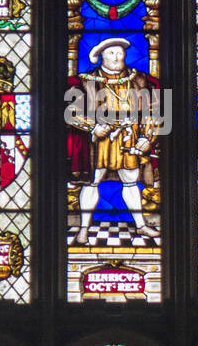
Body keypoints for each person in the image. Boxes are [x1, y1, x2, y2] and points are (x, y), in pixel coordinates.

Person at [66, 37, 160, 245]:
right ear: (100, 56)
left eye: (120, 53)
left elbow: (158, 109)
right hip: (98, 142)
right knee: (92, 181)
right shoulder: (85, 81)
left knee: (130, 180)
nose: (117, 57)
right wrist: (92, 127)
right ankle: (84, 229)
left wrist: (147, 137)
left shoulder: (140, 80)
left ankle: (141, 225)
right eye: (111, 53)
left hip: (130, 138)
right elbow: (69, 111)